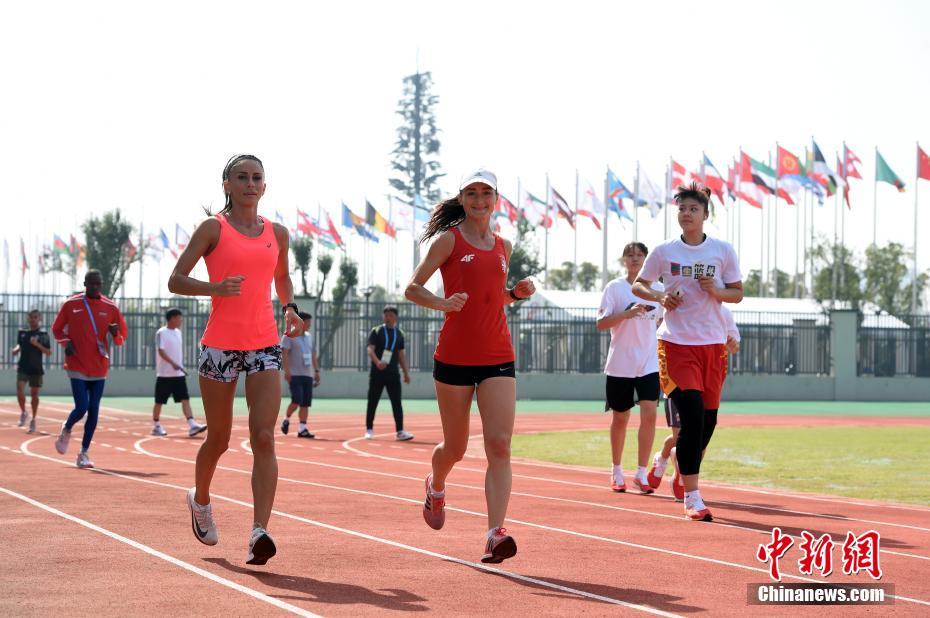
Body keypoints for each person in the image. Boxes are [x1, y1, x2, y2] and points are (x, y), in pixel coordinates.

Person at [168, 154, 302, 565]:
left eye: (256, 177)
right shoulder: (213, 228)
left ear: (265, 186)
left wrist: (290, 307)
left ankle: (259, 531)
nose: (249, 183)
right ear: (227, 184)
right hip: (220, 346)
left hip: (264, 343)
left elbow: (281, 276)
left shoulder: (277, 233)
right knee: (220, 438)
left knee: (264, 436)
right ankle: (201, 499)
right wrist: (215, 288)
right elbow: (176, 280)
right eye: (241, 177)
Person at [405, 168, 536, 564]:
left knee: (499, 445)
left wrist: (515, 293)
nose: (480, 200)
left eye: (487, 193)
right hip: (454, 358)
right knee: (456, 447)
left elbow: (491, 298)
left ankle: (495, 533)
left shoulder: (503, 245)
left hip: (498, 355)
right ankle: (437, 483)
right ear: (462, 198)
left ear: (496, 199)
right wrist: (443, 304)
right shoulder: (449, 240)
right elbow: (412, 288)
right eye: (472, 193)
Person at [633, 182, 742, 521]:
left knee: (707, 422)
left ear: (705, 215)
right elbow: (640, 284)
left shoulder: (722, 251)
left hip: (712, 346)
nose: (686, 214)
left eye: (693, 209)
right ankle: (693, 497)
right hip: (676, 344)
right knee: (692, 415)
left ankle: (682, 457)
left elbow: (737, 294)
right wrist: (661, 297)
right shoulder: (665, 251)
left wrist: (718, 289)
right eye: (681, 209)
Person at [648, 305, 741, 501]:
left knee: (697, 438)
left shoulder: (723, 313)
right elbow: (659, 323)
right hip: (680, 379)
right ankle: (670, 465)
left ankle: (679, 469)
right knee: (683, 434)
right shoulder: (681, 305)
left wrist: (732, 343)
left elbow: (734, 342)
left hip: (707, 377)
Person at [596, 242, 664, 494]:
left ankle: (641, 472)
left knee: (649, 414)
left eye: (640, 256)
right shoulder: (615, 288)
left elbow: (663, 322)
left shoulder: (658, 290)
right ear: (624, 259)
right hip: (620, 364)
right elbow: (601, 324)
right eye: (630, 255)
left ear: (647, 260)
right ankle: (616, 469)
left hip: (648, 363)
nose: (635, 259)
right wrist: (627, 314)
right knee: (621, 417)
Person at [52, 270, 128, 468]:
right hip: (76, 364)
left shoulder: (110, 307)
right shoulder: (71, 304)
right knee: (82, 406)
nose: (95, 287)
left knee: (94, 409)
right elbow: (56, 329)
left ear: (101, 285)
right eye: (91, 284)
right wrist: (66, 341)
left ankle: (83, 453)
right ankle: (67, 428)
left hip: (99, 367)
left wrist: (115, 334)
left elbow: (121, 338)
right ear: (85, 283)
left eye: (98, 284)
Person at [151, 308, 207, 437]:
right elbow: (161, 351)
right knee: (159, 402)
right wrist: (172, 363)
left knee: (185, 399)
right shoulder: (161, 333)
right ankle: (156, 426)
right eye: (179, 318)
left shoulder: (178, 332)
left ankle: (192, 424)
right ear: (172, 318)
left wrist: (179, 365)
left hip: (178, 375)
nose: (181, 320)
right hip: (164, 375)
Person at [364, 305, 413, 441]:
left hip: (393, 374)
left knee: (397, 402)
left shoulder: (399, 334)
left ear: (395, 317)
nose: (388, 318)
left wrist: (406, 373)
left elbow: (401, 356)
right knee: (373, 401)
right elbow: (370, 349)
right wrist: (377, 362)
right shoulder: (377, 331)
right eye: (385, 315)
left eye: (390, 315)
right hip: (377, 373)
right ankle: (369, 429)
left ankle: (400, 431)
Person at [11, 309, 52, 434]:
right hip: (23, 366)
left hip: (36, 368)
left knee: (34, 395)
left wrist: (37, 344)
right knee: (19, 390)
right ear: (28, 318)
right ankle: (23, 412)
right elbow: (19, 344)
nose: (33, 319)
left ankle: (33, 419)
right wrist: (16, 349)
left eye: (35, 317)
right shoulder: (22, 333)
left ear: (39, 318)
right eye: (31, 317)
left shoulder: (43, 334)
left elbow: (48, 352)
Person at [280, 311, 320, 439]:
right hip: (295, 374)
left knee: (305, 403)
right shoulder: (289, 335)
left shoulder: (309, 337)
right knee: (297, 400)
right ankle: (286, 419)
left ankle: (302, 428)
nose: (309, 325)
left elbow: (313, 355)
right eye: (307, 322)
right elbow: (284, 353)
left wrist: (316, 371)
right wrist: (287, 371)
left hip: (307, 374)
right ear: (300, 321)